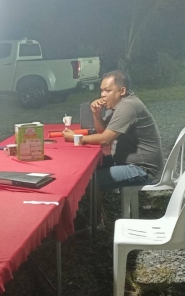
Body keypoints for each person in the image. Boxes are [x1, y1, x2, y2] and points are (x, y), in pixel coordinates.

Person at [62, 70, 163, 224]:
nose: (103, 95)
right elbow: (104, 131)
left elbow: (105, 140)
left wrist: (75, 138)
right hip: (128, 163)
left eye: (108, 90)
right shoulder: (121, 104)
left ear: (122, 91)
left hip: (143, 169)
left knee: (91, 180)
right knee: (87, 170)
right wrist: (96, 114)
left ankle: (95, 223)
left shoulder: (127, 107)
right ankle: (97, 214)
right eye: (102, 90)